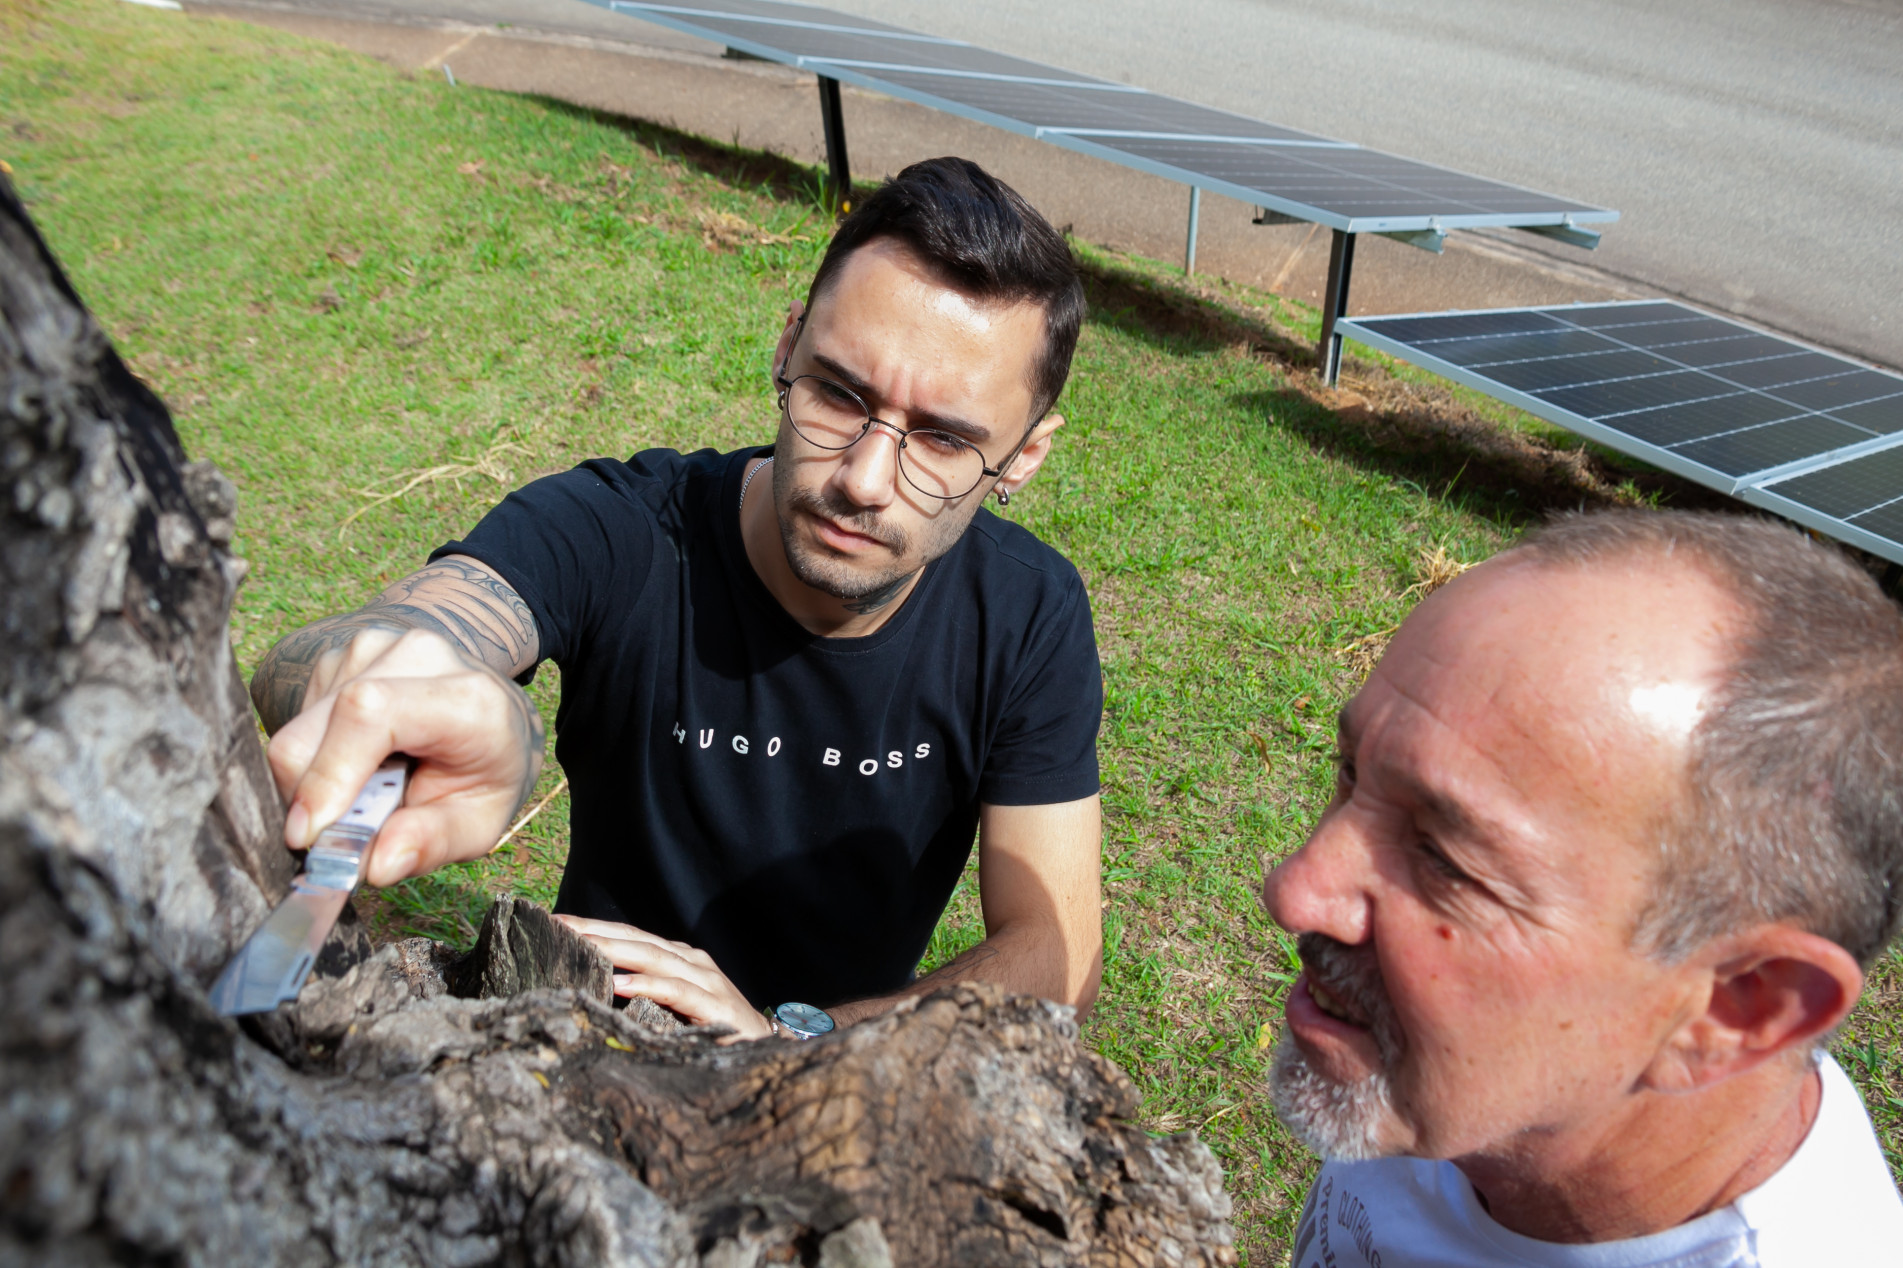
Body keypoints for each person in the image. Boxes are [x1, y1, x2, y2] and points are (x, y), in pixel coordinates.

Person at [250, 157, 1104, 1040]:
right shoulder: (621, 530)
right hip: (575, 1037)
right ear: (787, 347)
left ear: (1023, 457)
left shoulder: (1027, 616)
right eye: (838, 393)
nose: (863, 479)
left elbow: (1055, 953)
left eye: (942, 441)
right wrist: (395, 674)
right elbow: (390, 635)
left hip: (836, 1071)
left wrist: (789, 1043)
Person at [1262, 508, 1903, 1266]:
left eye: (1446, 861)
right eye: (1351, 772)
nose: (1294, 890)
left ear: (1735, 1006)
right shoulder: (1482, 1089)